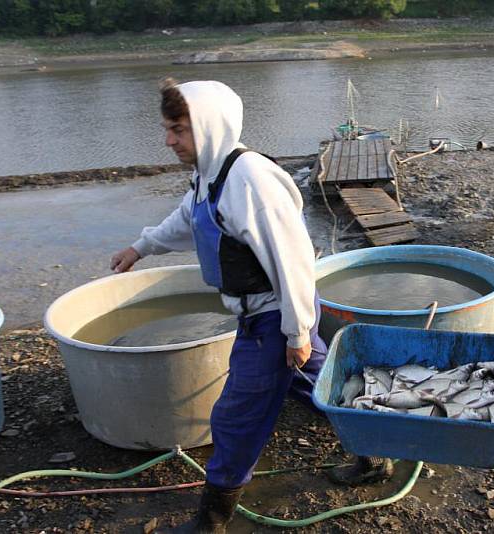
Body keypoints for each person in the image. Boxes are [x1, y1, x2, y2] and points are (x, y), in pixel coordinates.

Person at [110, 79, 391, 534]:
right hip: (268, 313)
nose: (169, 141)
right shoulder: (210, 173)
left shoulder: (251, 180)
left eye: (178, 129)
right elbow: (189, 220)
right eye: (166, 129)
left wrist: (296, 333)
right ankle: (374, 452)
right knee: (322, 383)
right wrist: (140, 247)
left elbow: (294, 259)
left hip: (273, 316)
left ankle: (211, 522)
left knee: (234, 419)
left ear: (209, 126)